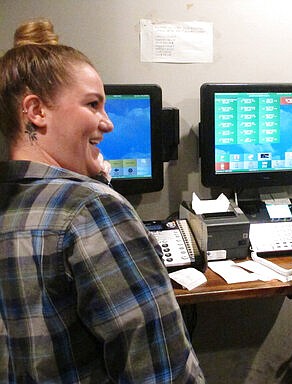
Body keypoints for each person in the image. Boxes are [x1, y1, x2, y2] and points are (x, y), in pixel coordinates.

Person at [0, 19, 204, 383]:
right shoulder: (90, 209)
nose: (107, 123)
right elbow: (161, 370)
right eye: (93, 105)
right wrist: (101, 193)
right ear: (36, 111)